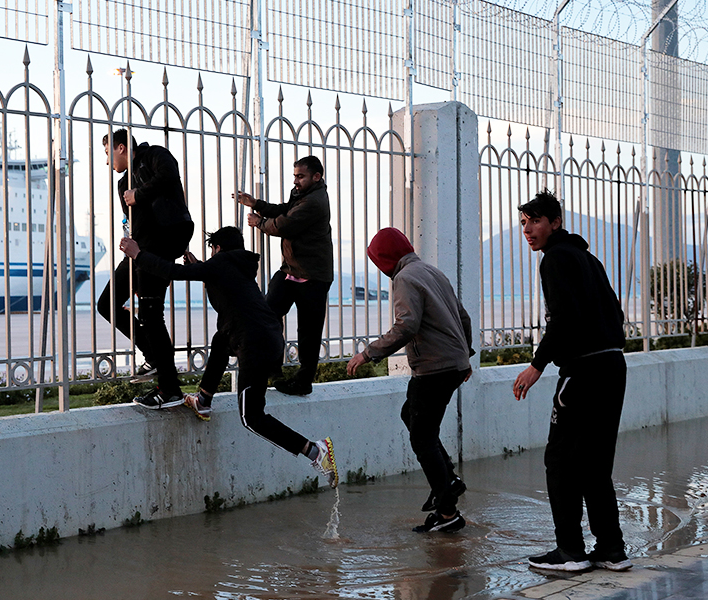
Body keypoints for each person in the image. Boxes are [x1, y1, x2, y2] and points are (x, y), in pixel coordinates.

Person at [118, 227, 339, 488]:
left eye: (213, 249)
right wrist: (200, 266)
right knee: (221, 338)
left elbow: (174, 272)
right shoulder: (238, 266)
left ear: (219, 248)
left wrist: (139, 254)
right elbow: (215, 278)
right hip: (266, 337)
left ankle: (314, 450)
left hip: (253, 344)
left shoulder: (221, 263)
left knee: (251, 417)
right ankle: (203, 399)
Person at [512, 190, 631, 572]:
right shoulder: (588, 259)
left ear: (555, 223)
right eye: (524, 222)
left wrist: (536, 365)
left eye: (536, 222)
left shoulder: (555, 260)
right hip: (613, 366)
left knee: (560, 460)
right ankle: (611, 549)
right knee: (596, 463)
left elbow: (562, 320)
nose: (528, 230)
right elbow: (616, 312)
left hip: (583, 372)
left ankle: (570, 552)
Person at [346, 228, 473, 533]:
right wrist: (466, 355)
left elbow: (406, 325)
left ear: (384, 260)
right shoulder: (431, 271)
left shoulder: (404, 279)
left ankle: (447, 514)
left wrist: (368, 354)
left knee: (422, 437)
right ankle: (450, 481)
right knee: (413, 417)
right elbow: (463, 315)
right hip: (453, 363)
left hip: (434, 366)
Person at [99, 129, 194, 409]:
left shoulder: (155, 155)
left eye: (107, 154)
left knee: (152, 315)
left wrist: (138, 194)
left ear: (120, 147)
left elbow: (169, 178)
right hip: (139, 251)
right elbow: (133, 217)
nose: (108, 162)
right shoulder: (122, 184)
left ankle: (169, 389)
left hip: (160, 246)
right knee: (107, 304)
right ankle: (152, 355)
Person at [234, 155, 333, 396]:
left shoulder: (315, 202)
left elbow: (284, 225)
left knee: (308, 332)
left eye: (301, 176)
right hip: (291, 270)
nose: (296, 181)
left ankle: (303, 382)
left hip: (313, 275)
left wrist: (259, 223)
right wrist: (256, 203)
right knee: (268, 314)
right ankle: (273, 368)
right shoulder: (301, 194)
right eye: (295, 176)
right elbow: (284, 210)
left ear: (316, 177)